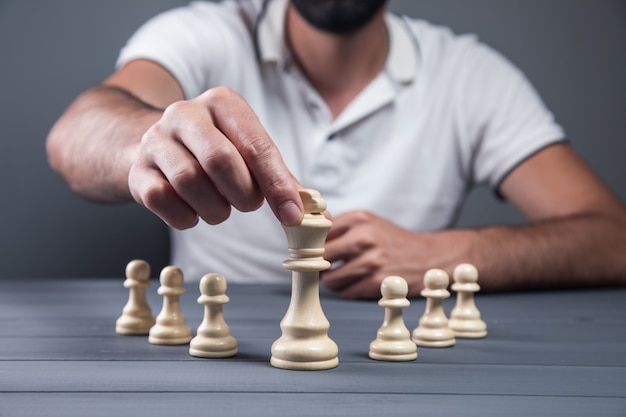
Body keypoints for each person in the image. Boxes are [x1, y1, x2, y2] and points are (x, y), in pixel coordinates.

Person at [46, 0, 626, 299]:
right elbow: (76, 134)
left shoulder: (470, 76)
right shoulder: (206, 32)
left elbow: (613, 239)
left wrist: (453, 253)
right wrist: (146, 143)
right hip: (218, 346)